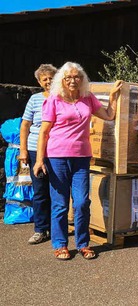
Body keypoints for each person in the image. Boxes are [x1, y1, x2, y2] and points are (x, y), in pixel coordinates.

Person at [32, 62, 122, 260]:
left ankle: (83, 244)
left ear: (82, 79)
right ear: (62, 80)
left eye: (77, 77)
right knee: (60, 204)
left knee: (82, 202)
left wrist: (113, 96)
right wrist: (39, 160)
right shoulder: (54, 100)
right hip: (57, 157)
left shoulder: (87, 98)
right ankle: (60, 244)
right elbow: (44, 132)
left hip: (81, 158)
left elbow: (109, 115)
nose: (73, 80)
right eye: (68, 77)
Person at [19, 64, 56, 245]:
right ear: (39, 82)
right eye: (45, 79)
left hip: (58, 151)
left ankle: (57, 228)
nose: (48, 81)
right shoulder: (34, 99)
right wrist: (23, 150)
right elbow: (25, 125)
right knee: (40, 191)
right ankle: (41, 229)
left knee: (58, 191)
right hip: (35, 150)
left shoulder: (64, 98)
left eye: (51, 77)